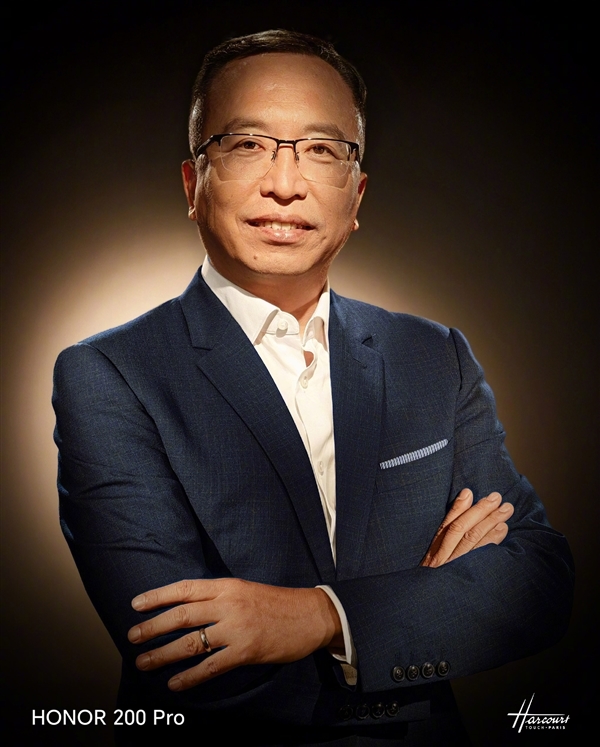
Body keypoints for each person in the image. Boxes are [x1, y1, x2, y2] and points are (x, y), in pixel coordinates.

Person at [53, 30, 574, 746]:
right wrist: (428, 603)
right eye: (248, 145)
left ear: (356, 195)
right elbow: (179, 649)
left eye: (322, 150)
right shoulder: (109, 372)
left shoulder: (434, 356)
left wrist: (320, 617)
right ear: (193, 185)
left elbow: (539, 582)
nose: (286, 184)